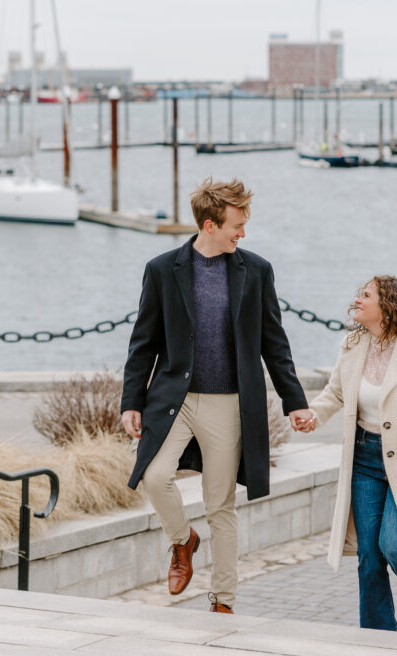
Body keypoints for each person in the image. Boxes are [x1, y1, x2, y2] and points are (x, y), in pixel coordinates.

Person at [121, 177, 313, 614]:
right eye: (236, 226)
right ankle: (182, 541)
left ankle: (223, 601)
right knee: (154, 476)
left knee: (220, 505)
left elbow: (274, 343)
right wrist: (131, 401)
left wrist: (295, 401)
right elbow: (143, 342)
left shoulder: (256, 270)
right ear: (210, 224)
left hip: (229, 403)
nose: (242, 234)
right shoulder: (161, 269)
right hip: (175, 400)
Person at [300, 275, 397, 633]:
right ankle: (378, 636)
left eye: (367, 295)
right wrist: (313, 416)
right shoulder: (353, 344)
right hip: (364, 459)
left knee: (394, 545)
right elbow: (337, 393)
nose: (358, 300)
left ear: (387, 307)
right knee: (369, 557)